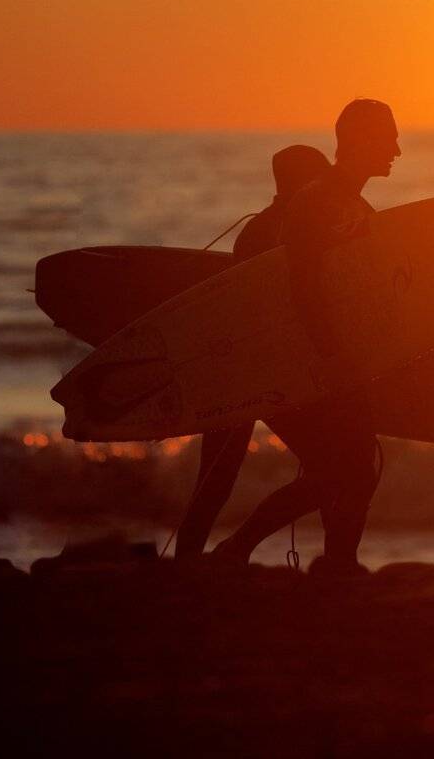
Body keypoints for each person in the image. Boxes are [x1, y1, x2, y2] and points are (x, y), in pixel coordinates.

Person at [214, 99, 400, 577]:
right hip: (306, 359)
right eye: (388, 138)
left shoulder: (353, 204)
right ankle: (239, 548)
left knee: (357, 468)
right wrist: (331, 355)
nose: (397, 150)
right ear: (359, 141)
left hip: (340, 357)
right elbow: (303, 286)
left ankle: (340, 562)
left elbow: (361, 288)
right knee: (344, 469)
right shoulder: (317, 202)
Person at [174, 144, 330, 559]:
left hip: (241, 367)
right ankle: (229, 550)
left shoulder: (270, 227)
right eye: (320, 177)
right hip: (253, 370)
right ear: (300, 183)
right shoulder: (278, 231)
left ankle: (198, 558)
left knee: (217, 476)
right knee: (332, 471)